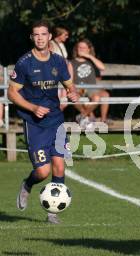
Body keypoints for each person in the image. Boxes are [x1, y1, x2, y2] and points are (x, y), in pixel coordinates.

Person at [9, 20, 79, 224]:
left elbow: (69, 86)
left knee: (59, 167)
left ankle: (52, 212)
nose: (40, 38)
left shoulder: (58, 61)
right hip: (34, 123)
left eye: (43, 34)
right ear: (32, 37)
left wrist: (72, 93)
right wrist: (32, 108)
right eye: (36, 35)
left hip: (56, 121)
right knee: (43, 171)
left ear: (49, 37)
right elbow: (12, 93)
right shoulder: (24, 63)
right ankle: (27, 184)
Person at [71, 39, 109, 125]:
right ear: (76, 49)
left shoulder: (91, 61)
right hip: (78, 88)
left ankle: (86, 117)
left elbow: (102, 67)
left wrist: (90, 56)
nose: (81, 49)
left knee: (101, 96)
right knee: (74, 97)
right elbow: (70, 79)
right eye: (79, 47)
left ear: (89, 49)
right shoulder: (72, 62)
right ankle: (89, 117)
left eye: (84, 48)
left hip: (92, 88)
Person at [49, 26, 72, 111]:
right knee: (56, 99)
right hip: (54, 74)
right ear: (59, 34)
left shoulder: (62, 44)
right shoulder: (51, 44)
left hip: (62, 73)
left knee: (63, 101)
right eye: (65, 35)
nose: (67, 37)